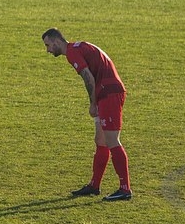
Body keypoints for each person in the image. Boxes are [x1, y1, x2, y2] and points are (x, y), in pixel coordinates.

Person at [41, 28, 132, 202]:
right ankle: (94, 185)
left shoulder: (72, 53)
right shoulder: (79, 47)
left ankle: (125, 189)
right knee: (100, 140)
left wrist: (92, 103)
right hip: (105, 92)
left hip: (109, 93)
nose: (48, 50)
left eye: (48, 45)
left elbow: (88, 77)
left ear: (56, 41)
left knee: (112, 140)